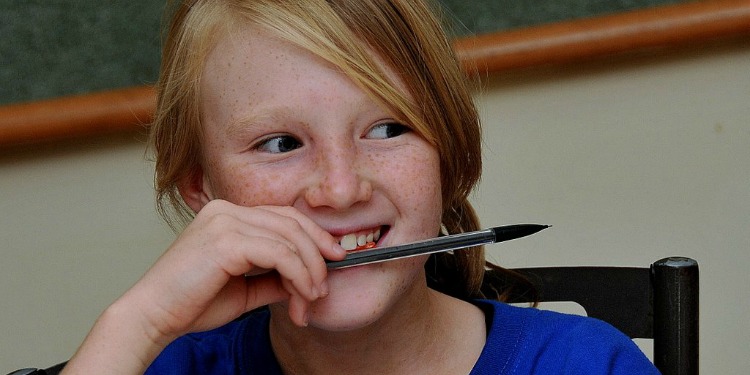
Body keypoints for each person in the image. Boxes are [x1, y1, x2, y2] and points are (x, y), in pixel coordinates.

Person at [61, 0, 659, 374]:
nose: (341, 190)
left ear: (446, 154)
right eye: (280, 144)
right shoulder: (168, 366)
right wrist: (136, 323)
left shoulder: (586, 364)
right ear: (200, 188)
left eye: (387, 128)